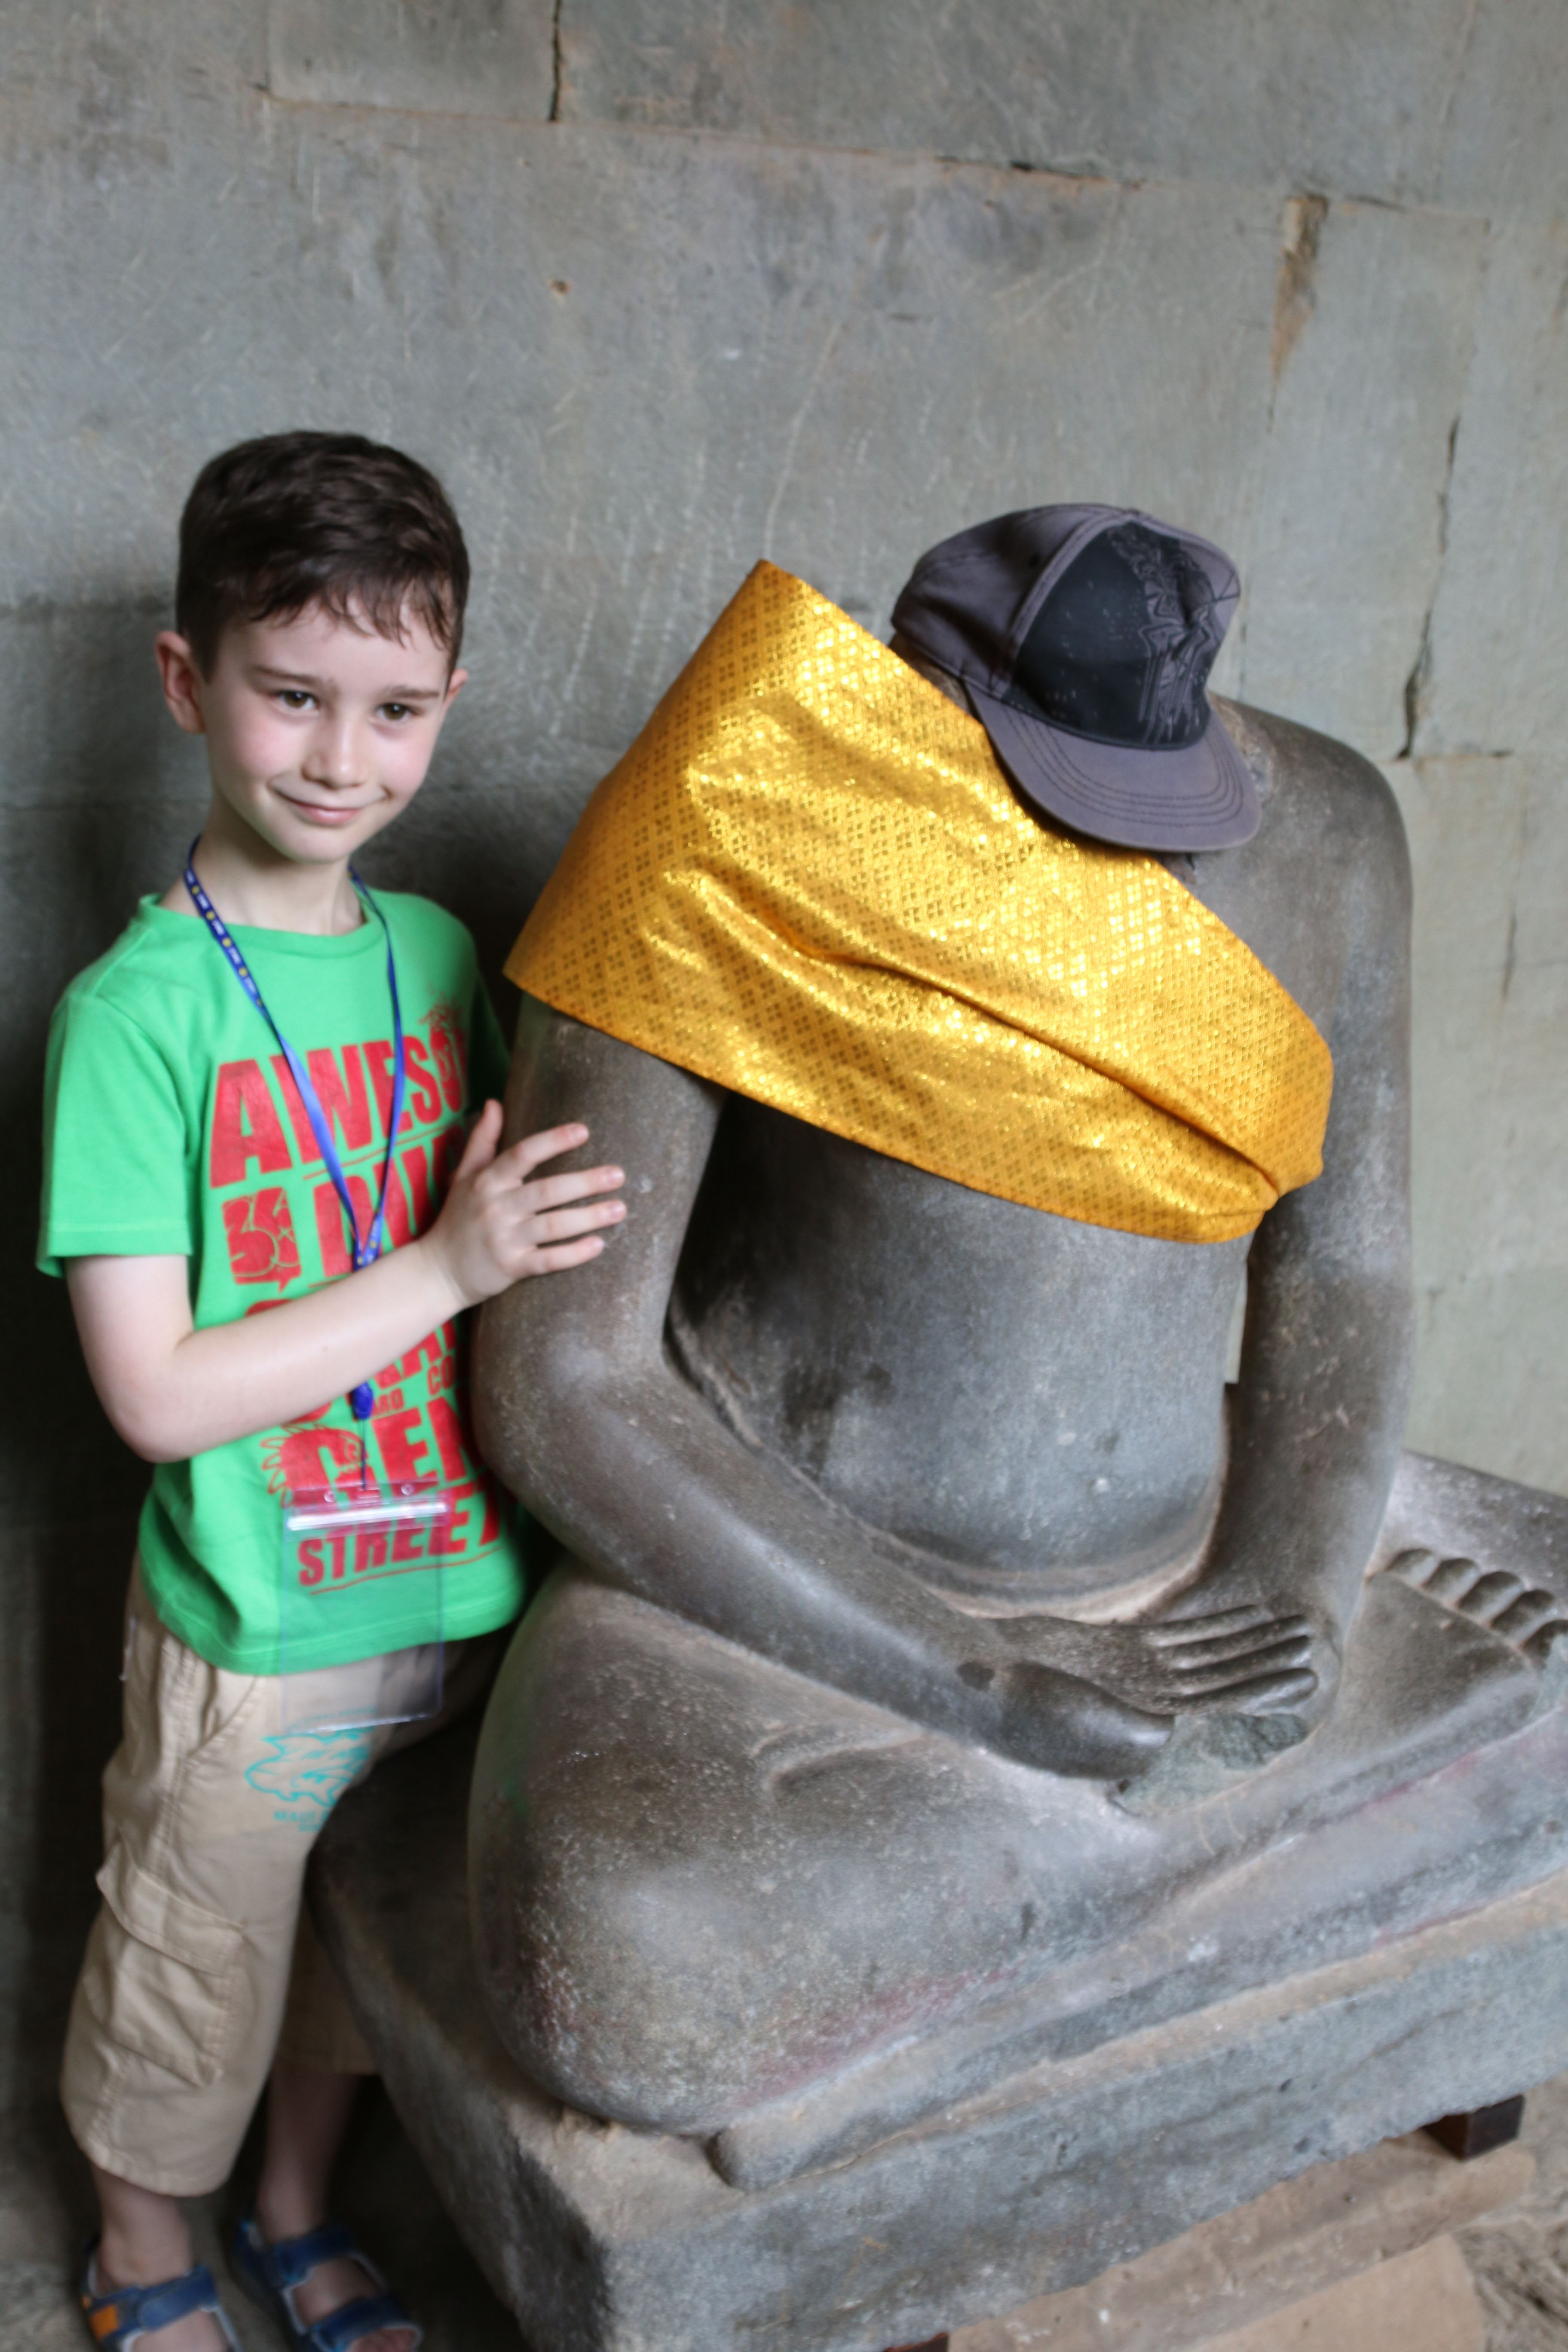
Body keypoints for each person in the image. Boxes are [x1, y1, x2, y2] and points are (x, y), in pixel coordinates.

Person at [39, 432, 626, 2352]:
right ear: (186, 679)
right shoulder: (137, 1019)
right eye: (290, 694)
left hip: (456, 1601)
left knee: (361, 1957)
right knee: (191, 1968)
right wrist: (447, 1267)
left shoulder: (441, 954)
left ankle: (295, 2218)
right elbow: (155, 1395)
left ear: (449, 702)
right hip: (260, 1640)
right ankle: (144, 2266)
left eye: (394, 710)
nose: (339, 757)